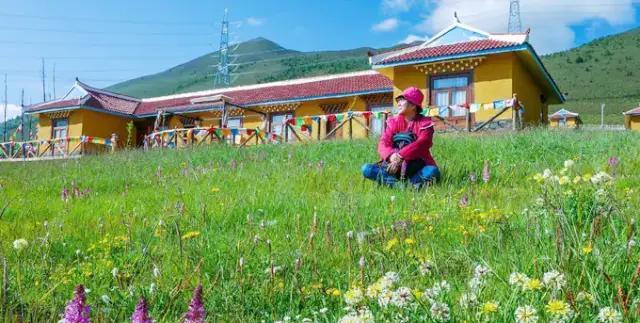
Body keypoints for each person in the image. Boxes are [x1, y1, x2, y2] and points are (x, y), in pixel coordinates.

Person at [362, 86, 440, 188]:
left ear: (413, 105)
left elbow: (423, 143)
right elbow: (383, 143)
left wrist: (401, 156)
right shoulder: (393, 122)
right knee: (366, 169)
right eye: (398, 101)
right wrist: (391, 156)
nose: (398, 103)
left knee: (432, 171)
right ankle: (405, 186)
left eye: (402, 100)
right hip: (393, 168)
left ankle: (398, 185)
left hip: (418, 167)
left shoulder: (425, 123)